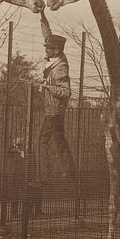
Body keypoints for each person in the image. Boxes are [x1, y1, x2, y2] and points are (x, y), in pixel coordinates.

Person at [38, 11, 76, 179]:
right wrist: (42, 14)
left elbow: (66, 92)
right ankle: (70, 171)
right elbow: (47, 34)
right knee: (59, 139)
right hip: (54, 110)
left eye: (48, 48)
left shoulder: (60, 67)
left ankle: (43, 175)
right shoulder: (55, 58)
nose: (46, 49)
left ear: (56, 50)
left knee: (41, 141)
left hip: (53, 111)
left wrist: (48, 87)